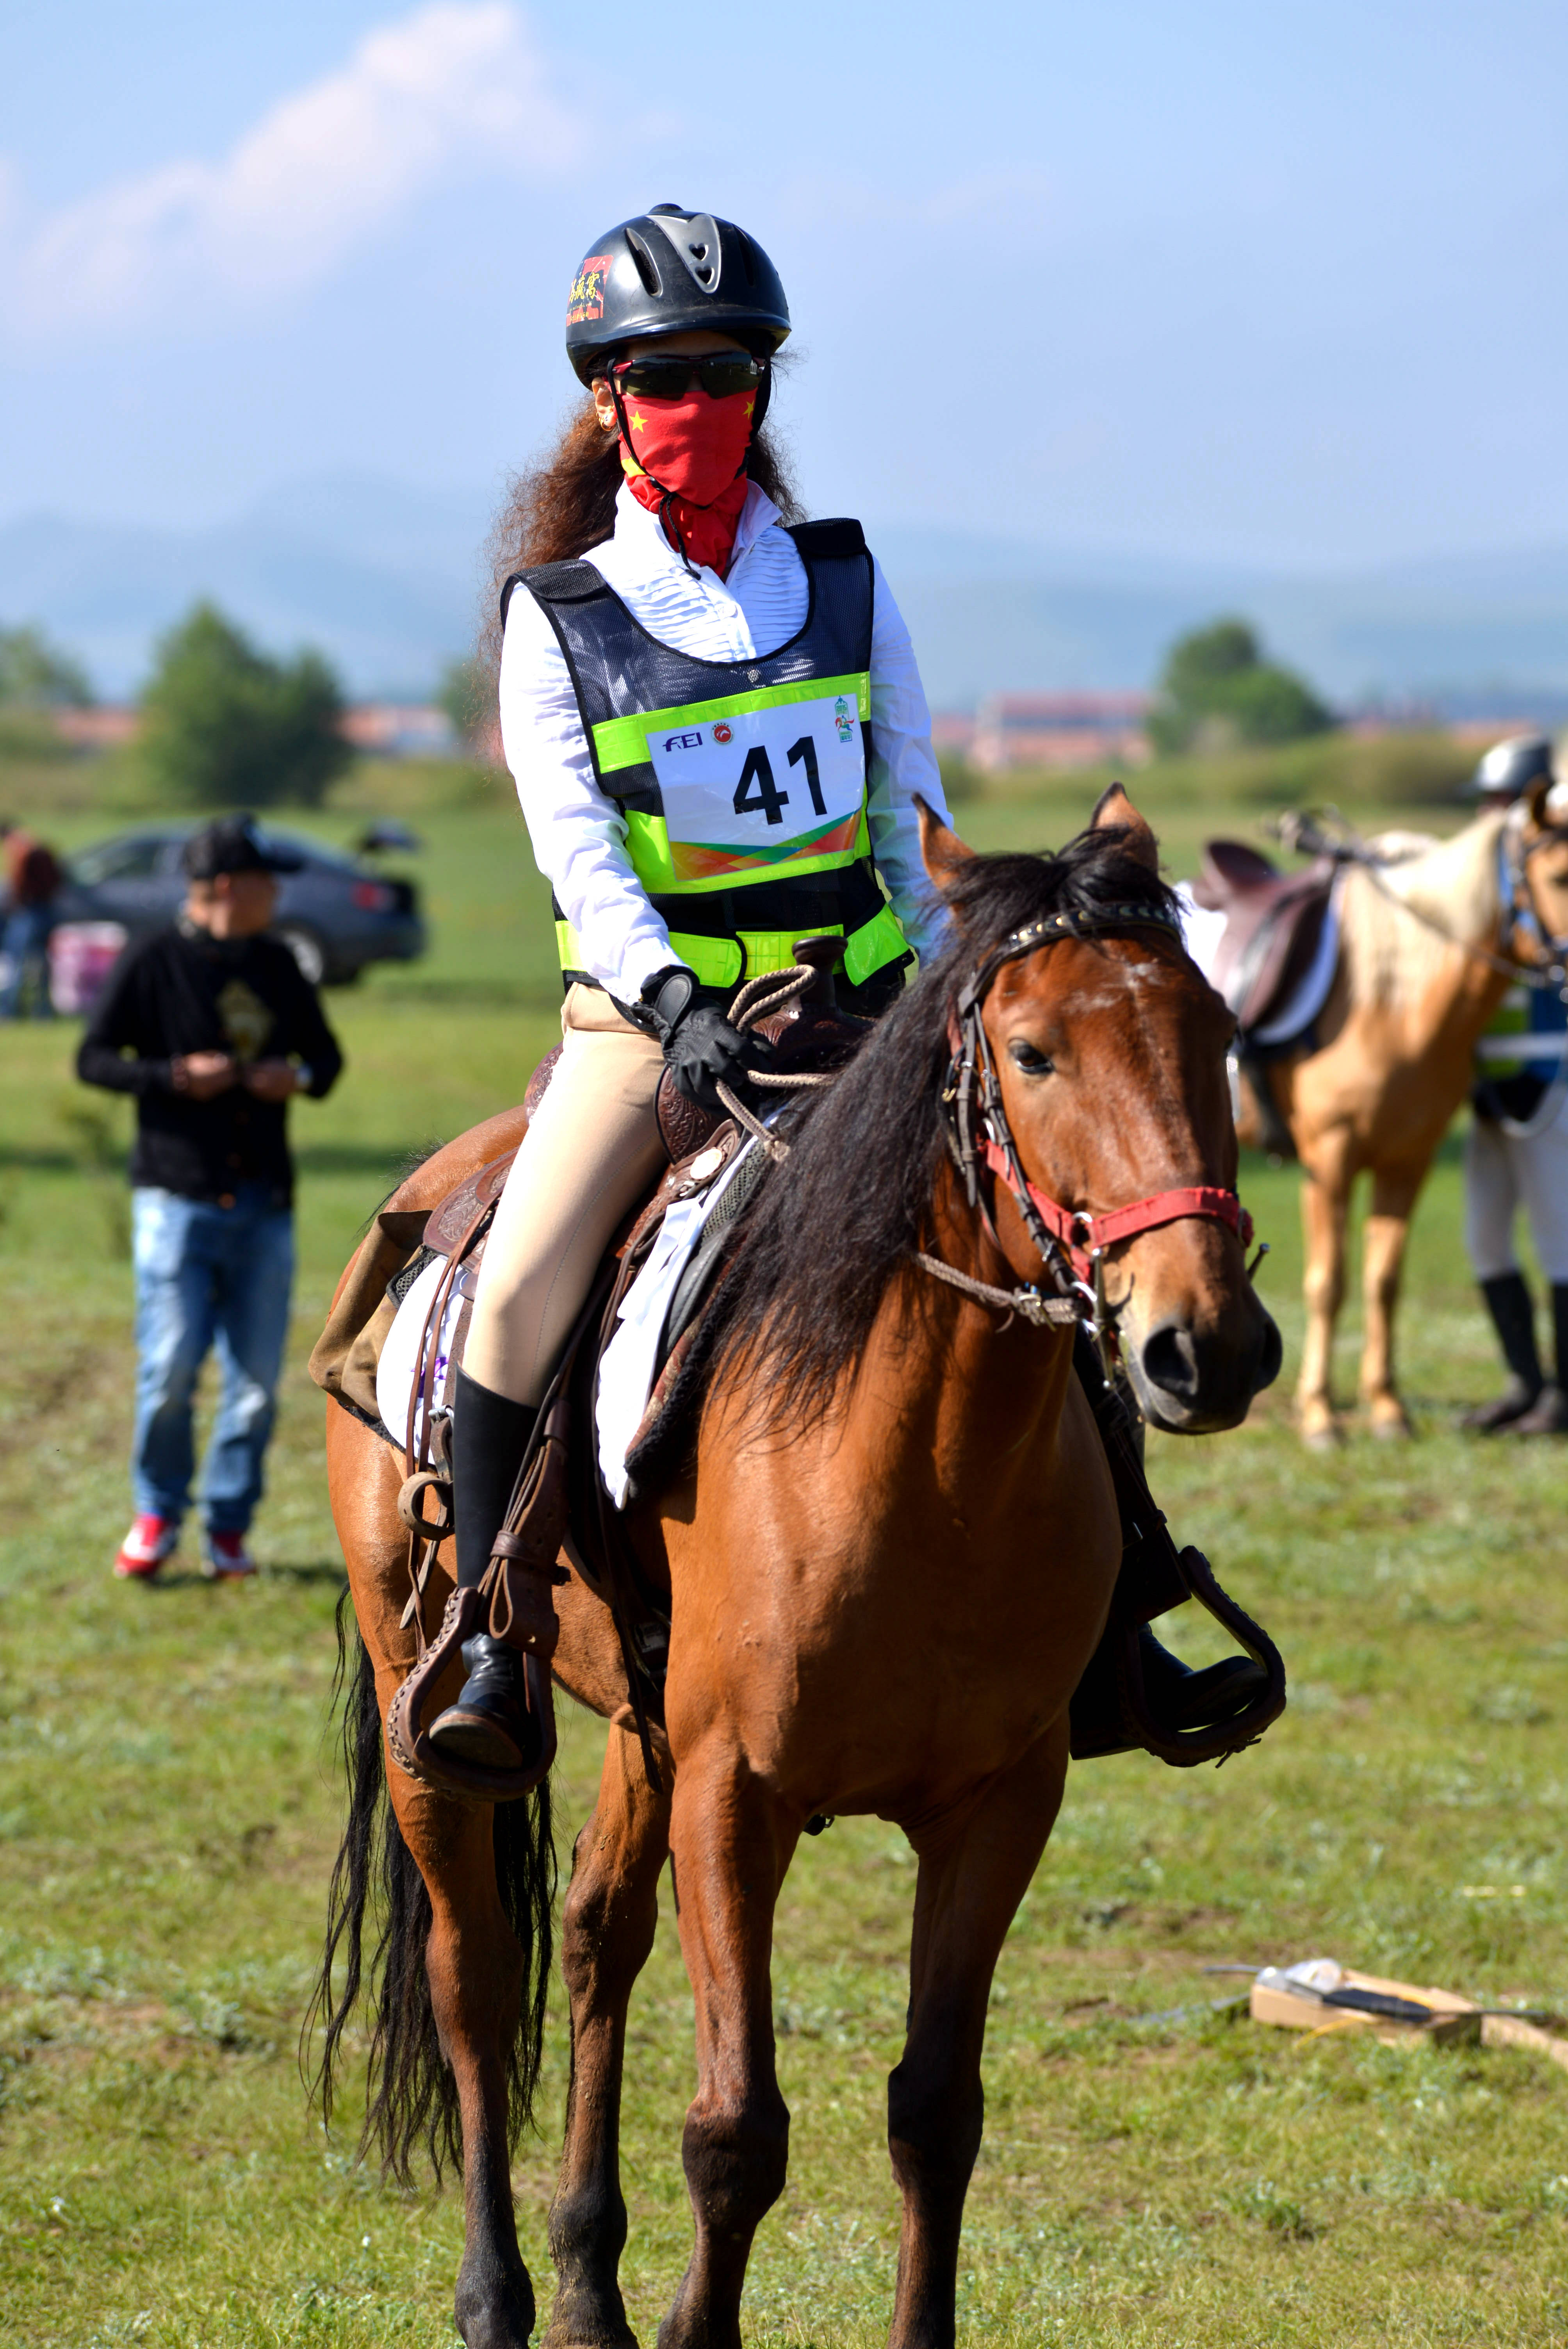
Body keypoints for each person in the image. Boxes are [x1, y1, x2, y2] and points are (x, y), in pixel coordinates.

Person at [428, 204, 1264, 1777]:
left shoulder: (840, 576)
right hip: (654, 1030)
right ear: (607, 400)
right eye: (665, 377)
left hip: (868, 1019)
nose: (701, 406)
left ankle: (1121, 1607)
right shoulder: (559, 619)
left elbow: (901, 815)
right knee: (528, 1274)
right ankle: (491, 1630)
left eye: (730, 373)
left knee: (1043, 1256)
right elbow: (581, 857)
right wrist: (669, 1000)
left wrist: (945, 991)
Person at [77, 814, 344, 1577]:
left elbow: (325, 1060)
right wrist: (170, 1076)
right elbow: (94, 1058)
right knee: (169, 1368)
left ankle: (229, 1524)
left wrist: (290, 1077)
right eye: (267, 880)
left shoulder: (279, 964)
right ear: (227, 886)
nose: (277, 893)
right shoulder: (153, 960)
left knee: (257, 1386)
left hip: (265, 1202)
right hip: (175, 1197)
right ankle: (157, 1512)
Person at [1459, 735, 1568, 1435]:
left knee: (1560, 1241)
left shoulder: (1551, 871)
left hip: (1551, 1087)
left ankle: (1562, 1394)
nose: (1496, 816)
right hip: (1490, 1096)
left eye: (1506, 802)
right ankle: (1524, 1382)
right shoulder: (1487, 893)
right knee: (1485, 1240)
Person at [0, 823, 64, 1018]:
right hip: (46, 911)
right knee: (42, 963)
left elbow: (18, 883)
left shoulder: (22, 849)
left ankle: (8, 1010)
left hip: (29, 912)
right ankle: (43, 1010)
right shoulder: (43, 849)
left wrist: (14, 904)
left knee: (16, 962)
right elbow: (58, 880)